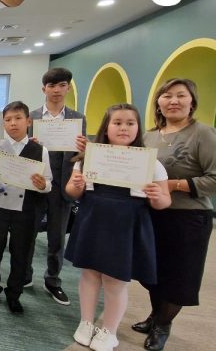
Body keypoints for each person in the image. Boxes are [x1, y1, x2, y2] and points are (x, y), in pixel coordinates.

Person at [64, 103, 171, 351]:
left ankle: (109, 330)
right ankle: (86, 322)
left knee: (115, 280)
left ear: (138, 128)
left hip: (126, 224)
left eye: (130, 123)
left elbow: (164, 201)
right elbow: (71, 191)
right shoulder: (87, 158)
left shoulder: (151, 163)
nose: (123, 128)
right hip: (94, 220)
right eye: (117, 123)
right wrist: (77, 184)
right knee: (89, 274)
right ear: (106, 127)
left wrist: (156, 195)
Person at [133, 79, 216, 351]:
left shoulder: (203, 133)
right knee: (153, 272)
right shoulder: (149, 135)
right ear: (159, 101)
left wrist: (173, 185)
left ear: (192, 102)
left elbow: (214, 178)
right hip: (153, 215)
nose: (174, 101)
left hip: (188, 218)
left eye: (181, 96)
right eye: (167, 96)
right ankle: (155, 315)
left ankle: (163, 325)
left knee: (180, 276)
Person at [0, 101, 52, 315]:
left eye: (18, 118)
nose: (13, 123)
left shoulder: (41, 150)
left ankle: (14, 294)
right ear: (3, 123)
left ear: (28, 121)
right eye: (8, 119)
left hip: (26, 209)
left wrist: (42, 186)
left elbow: (49, 182)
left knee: (21, 254)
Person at [27, 67, 87, 305]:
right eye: (52, 86)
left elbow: (78, 157)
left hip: (62, 186)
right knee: (28, 234)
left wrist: (84, 149)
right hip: (35, 183)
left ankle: (53, 280)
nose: (56, 90)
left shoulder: (78, 118)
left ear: (68, 87)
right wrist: (28, 145)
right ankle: (25, 275)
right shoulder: (31, 117)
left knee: (57, 237)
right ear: (44, 89)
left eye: (61, 85)